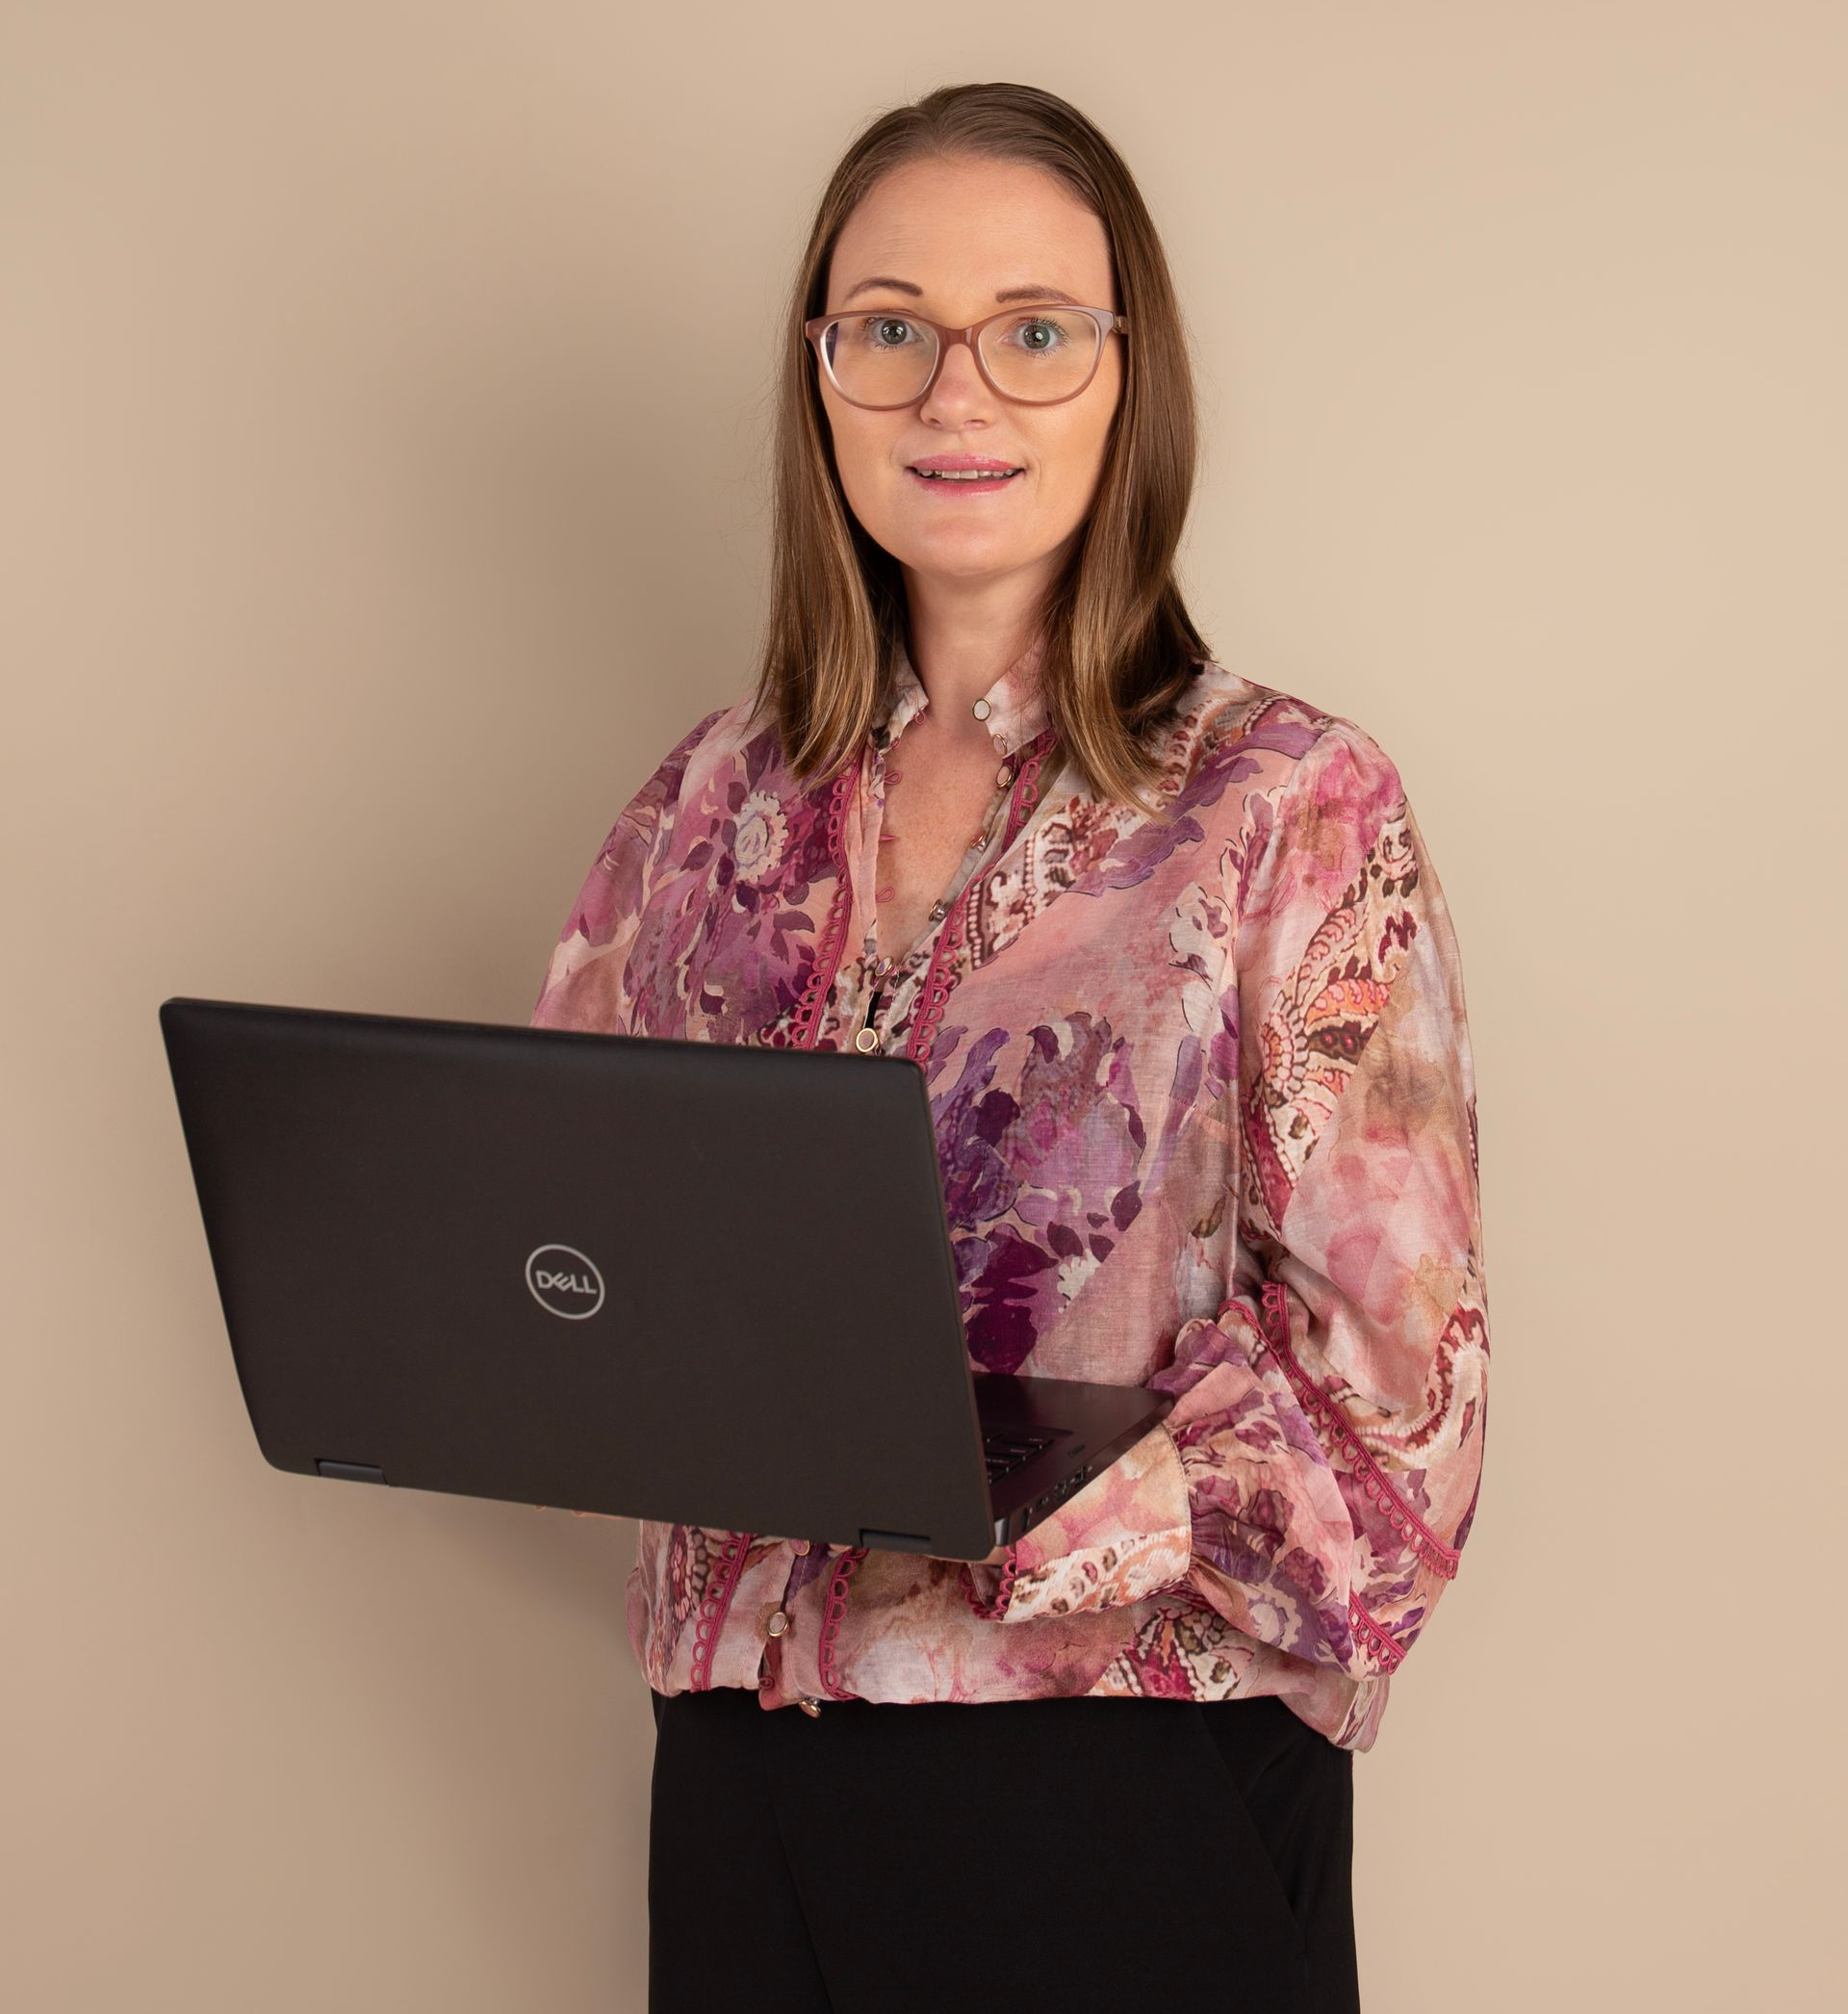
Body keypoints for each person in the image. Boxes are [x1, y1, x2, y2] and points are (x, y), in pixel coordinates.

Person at [530, 80, 1489, 2014]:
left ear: (1130, 381)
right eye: (889, 327)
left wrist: (1004, 1483)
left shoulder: (1284, 804)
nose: (954, 393)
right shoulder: (702, 810)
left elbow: (1404, 1426)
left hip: (1115, 1783)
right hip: (737, 1772)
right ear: (822, 378)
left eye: (1033, 331)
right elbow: (573, 1246)